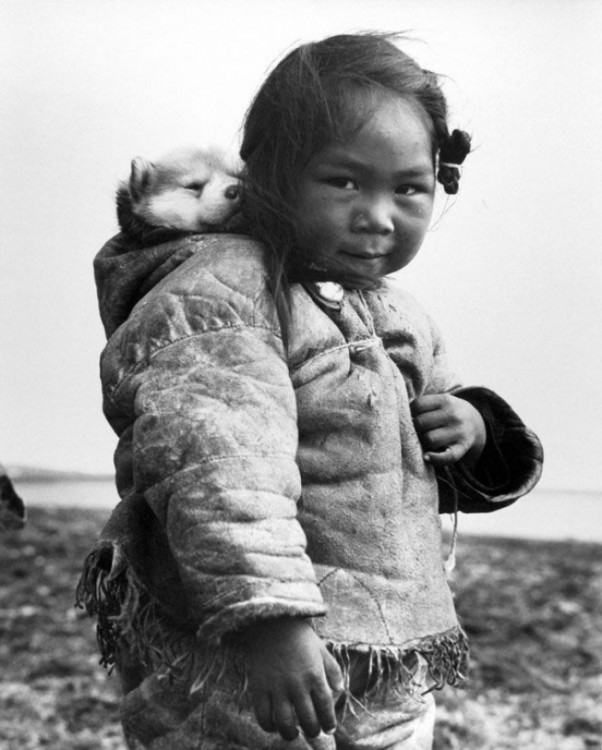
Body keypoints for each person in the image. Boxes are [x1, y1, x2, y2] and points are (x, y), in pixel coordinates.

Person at [77, 32, 543, 749]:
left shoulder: (396, 313)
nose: (378, 215)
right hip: (250, 656)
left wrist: (473, 428)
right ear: (270, 176)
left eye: (408, 188)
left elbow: (414, 459)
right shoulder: (224, 292)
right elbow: (217, 466)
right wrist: (272, 623)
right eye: (345, 181)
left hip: (387, 645)